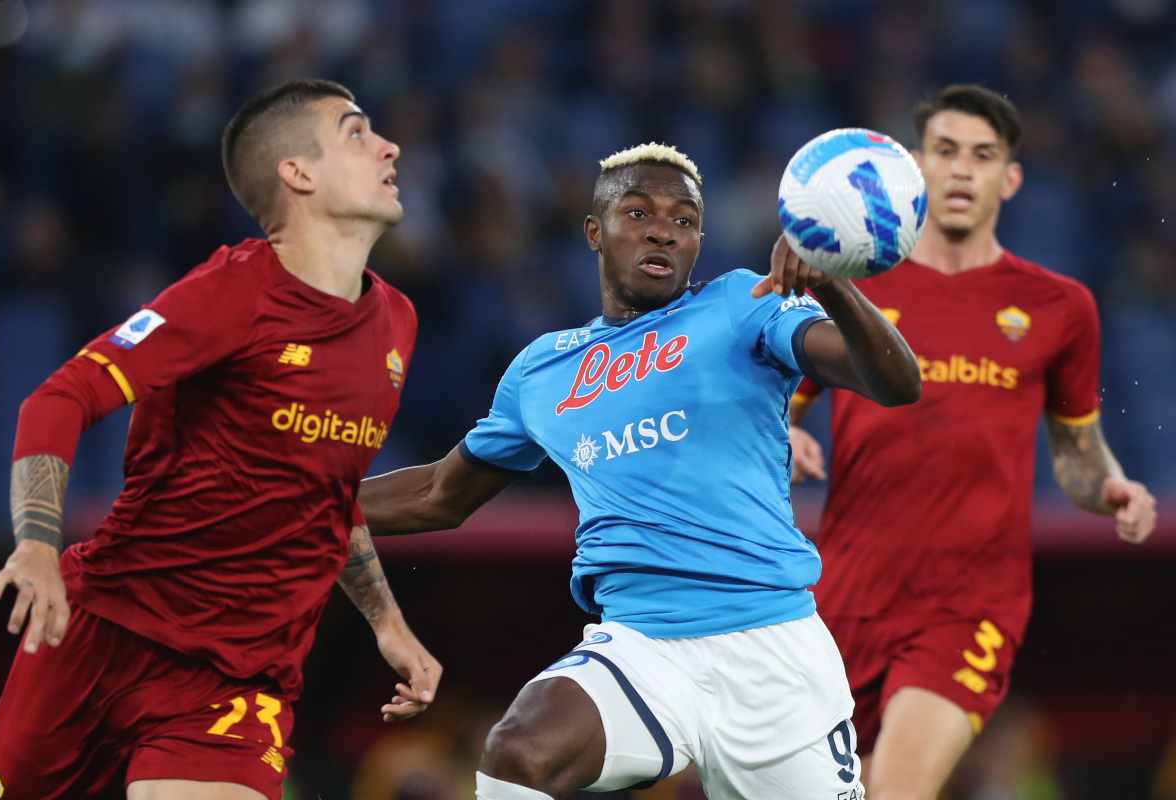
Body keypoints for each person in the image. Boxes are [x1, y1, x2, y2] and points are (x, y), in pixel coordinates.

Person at [357, 141, 922, 799]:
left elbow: (894, 382)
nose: (663, 229)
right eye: (638, 212)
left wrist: (834, 286)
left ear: (699, 241)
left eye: (684, 220)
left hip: (773, 651)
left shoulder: (745, 303)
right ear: (595, 231)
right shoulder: (543, 370)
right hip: (644, 647)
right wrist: (301, 498)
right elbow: (437, 494)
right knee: (521, 751)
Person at [0, 79, 441, 800]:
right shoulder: (229, 294)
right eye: (356, 132)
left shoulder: (397, 325)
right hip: (106, 630)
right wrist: (37, 543)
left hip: (238, 675)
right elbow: (57, 399)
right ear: (298, 173)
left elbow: (326, 490)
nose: (390, 146)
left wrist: (387, 621)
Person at [786, 84, 1158, 800]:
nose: (962, 170)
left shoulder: (1059, 308)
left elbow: (1078, 454)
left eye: (983, 156)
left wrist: (1110, 487)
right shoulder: (852, 288)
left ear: (1009, 178)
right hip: (847, 598)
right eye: (947, 152)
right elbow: (779, 408)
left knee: (896, 790)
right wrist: (789, 437)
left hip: (971, 604)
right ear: (916, 169)